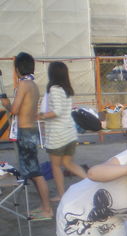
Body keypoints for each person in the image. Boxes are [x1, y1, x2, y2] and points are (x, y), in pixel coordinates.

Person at [0, 52, 53, 220]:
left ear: (17, 69)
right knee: (33, 172)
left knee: (35, 173)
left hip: (26, 133)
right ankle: (44, 206)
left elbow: (15, 110)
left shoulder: (23, 84)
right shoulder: (32, 84)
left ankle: (47, 209)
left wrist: (6, 104)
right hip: (30, 131)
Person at [38, 61, 86, 201]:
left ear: (52, 74)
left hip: (57, 136)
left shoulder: (54, 89)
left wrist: (40, 116)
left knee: (56, 166)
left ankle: (61, 194)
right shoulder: (67, 90)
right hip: (70, 134)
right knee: (68, 164)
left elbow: (56, 112)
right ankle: (92, 181)